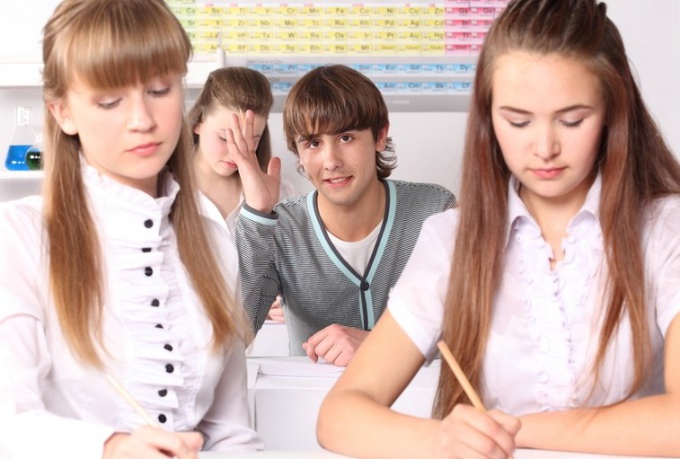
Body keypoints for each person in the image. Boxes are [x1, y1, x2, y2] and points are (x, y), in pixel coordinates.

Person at [317, 0, 680, 457]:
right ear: (489, 118)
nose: (544, 147)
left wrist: (510, 429)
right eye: (518, 121)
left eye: (572, 120)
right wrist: (441, 438)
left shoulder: (667, 230)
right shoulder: (452, 239)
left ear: (611, 111)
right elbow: (339, 415)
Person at [0, 0, 263, 458]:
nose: (142, 120)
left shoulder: (212, 237)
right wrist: (110, 447)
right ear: (62, 112)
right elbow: (10, 419)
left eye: (160, 89)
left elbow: (232, 432)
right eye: (109, 100)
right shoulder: (19, 236)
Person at [228, 64, 457, 366]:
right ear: (298, 152)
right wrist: (257, 214)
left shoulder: (434, 210)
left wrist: (380, 347)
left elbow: (472, 333)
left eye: (346, 138)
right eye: (313, 143)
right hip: (313, 407)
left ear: (379, 136)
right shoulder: (281, 229)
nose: (331, 161)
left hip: (419, 406)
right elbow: (234, 338)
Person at [188, 66, 300, 323]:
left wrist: (289, 300)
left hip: (262, 342)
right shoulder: (164, 188)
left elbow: (298, 271)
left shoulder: (279, 190)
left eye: (252, 140)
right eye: (225, 138)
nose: (236, 153)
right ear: (198, 123)